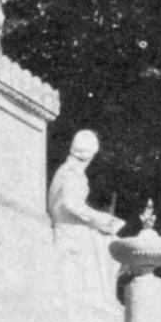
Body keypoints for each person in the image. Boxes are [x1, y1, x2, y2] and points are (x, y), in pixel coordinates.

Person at [47, 130, 124, 308]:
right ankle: (103, 300)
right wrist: (98, 218)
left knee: (110, 245)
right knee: (109, 247)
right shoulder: (70, 172)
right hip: (70, 230)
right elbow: (70, 204)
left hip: (76, 228)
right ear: (90, 154)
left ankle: (105, 299)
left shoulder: (72, 172)